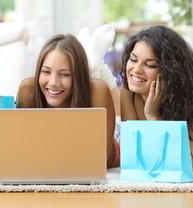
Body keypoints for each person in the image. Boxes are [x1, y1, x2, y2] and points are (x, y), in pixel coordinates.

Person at [120, 25, 193, 175]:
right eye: (133, 59)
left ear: (170, 70)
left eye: (150, 65)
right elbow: (134, 154)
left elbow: (192, 168)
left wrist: (153, 117)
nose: (136, 69)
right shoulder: (128, 92)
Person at [17, 33, 119, 168]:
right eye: (46, 71)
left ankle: (97, 64)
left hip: (115, 143)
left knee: (118, 116)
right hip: (59, 153)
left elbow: (100, 162)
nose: (53, 83)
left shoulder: (98, 90)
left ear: (77, 76)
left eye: (65, 74)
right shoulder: (28, 89)